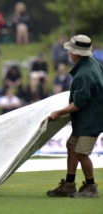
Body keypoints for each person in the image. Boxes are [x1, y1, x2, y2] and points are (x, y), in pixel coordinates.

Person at [47, 35, 102, 198]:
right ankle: (69, 185)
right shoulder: (94, 63)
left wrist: (59, 112)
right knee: (71, 146)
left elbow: (79, 103)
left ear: (76, 54)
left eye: (70, 50)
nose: (68, 53)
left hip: (91, 120)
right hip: (88, 117)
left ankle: (91, 187)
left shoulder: (83, 74)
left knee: (81, 153)